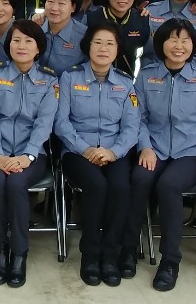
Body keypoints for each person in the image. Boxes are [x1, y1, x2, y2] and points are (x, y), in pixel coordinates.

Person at [123, 19, 196, 292]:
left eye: (185, 40)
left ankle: (170, 260)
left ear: (193, 45)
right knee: (139, 179)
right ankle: (128, 248)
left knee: (168, 185)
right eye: (173, 39)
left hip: (191, 150)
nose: (179, 46)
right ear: (161, 43)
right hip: (154, 147)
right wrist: (145, 146)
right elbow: (137, 118)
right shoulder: (146, 75)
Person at [54, 22, 139, 287]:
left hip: (114, 151)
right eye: (98, 42)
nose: (103, 48)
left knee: (120, 187)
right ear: (88, 46)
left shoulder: (126, 83)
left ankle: (110, 254)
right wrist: (85, 149)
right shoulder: (69, 78)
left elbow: (132, 126)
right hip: (77, 151)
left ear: (117, 50)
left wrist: (114, 152)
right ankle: (90, 254)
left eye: (110, 44)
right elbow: (61, 123)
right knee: (96, 185)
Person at [0, 20, 57, 288]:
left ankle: (20, 252)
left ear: (38, 48)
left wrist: (28, 156)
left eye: (28, 41)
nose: (21, 46)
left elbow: (44, 123)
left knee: (16, 183)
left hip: (32, 153)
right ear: (8, 45)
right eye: (16, 40)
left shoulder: (49, 80)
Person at [87, 0, 149, 77]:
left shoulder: (141, 18)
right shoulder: (92, 18)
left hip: (127, 80)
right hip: (93, 78)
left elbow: (147, 53)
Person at [39, 0, 88, 75]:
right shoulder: (34, 29)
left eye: (61, 3)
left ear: (73, 7)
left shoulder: (84, 36)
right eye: (50, 1)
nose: (54, 8)